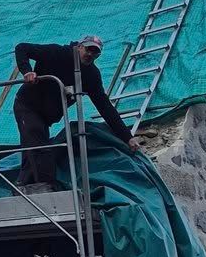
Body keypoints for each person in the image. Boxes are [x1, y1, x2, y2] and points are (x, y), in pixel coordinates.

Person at [11, 35, 138, 190]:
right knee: (38, 143)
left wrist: (127, 137)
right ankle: (47, 188)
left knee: (33, 147)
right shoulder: (56, 53)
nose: (90, 54)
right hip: (27, 105)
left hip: (46, 116)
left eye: (95, 52)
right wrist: (27, 71)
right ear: (79, 46)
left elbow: (105, 107)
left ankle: (22, 185)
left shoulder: (90, 75)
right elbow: (22, 47)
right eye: (88, 49)